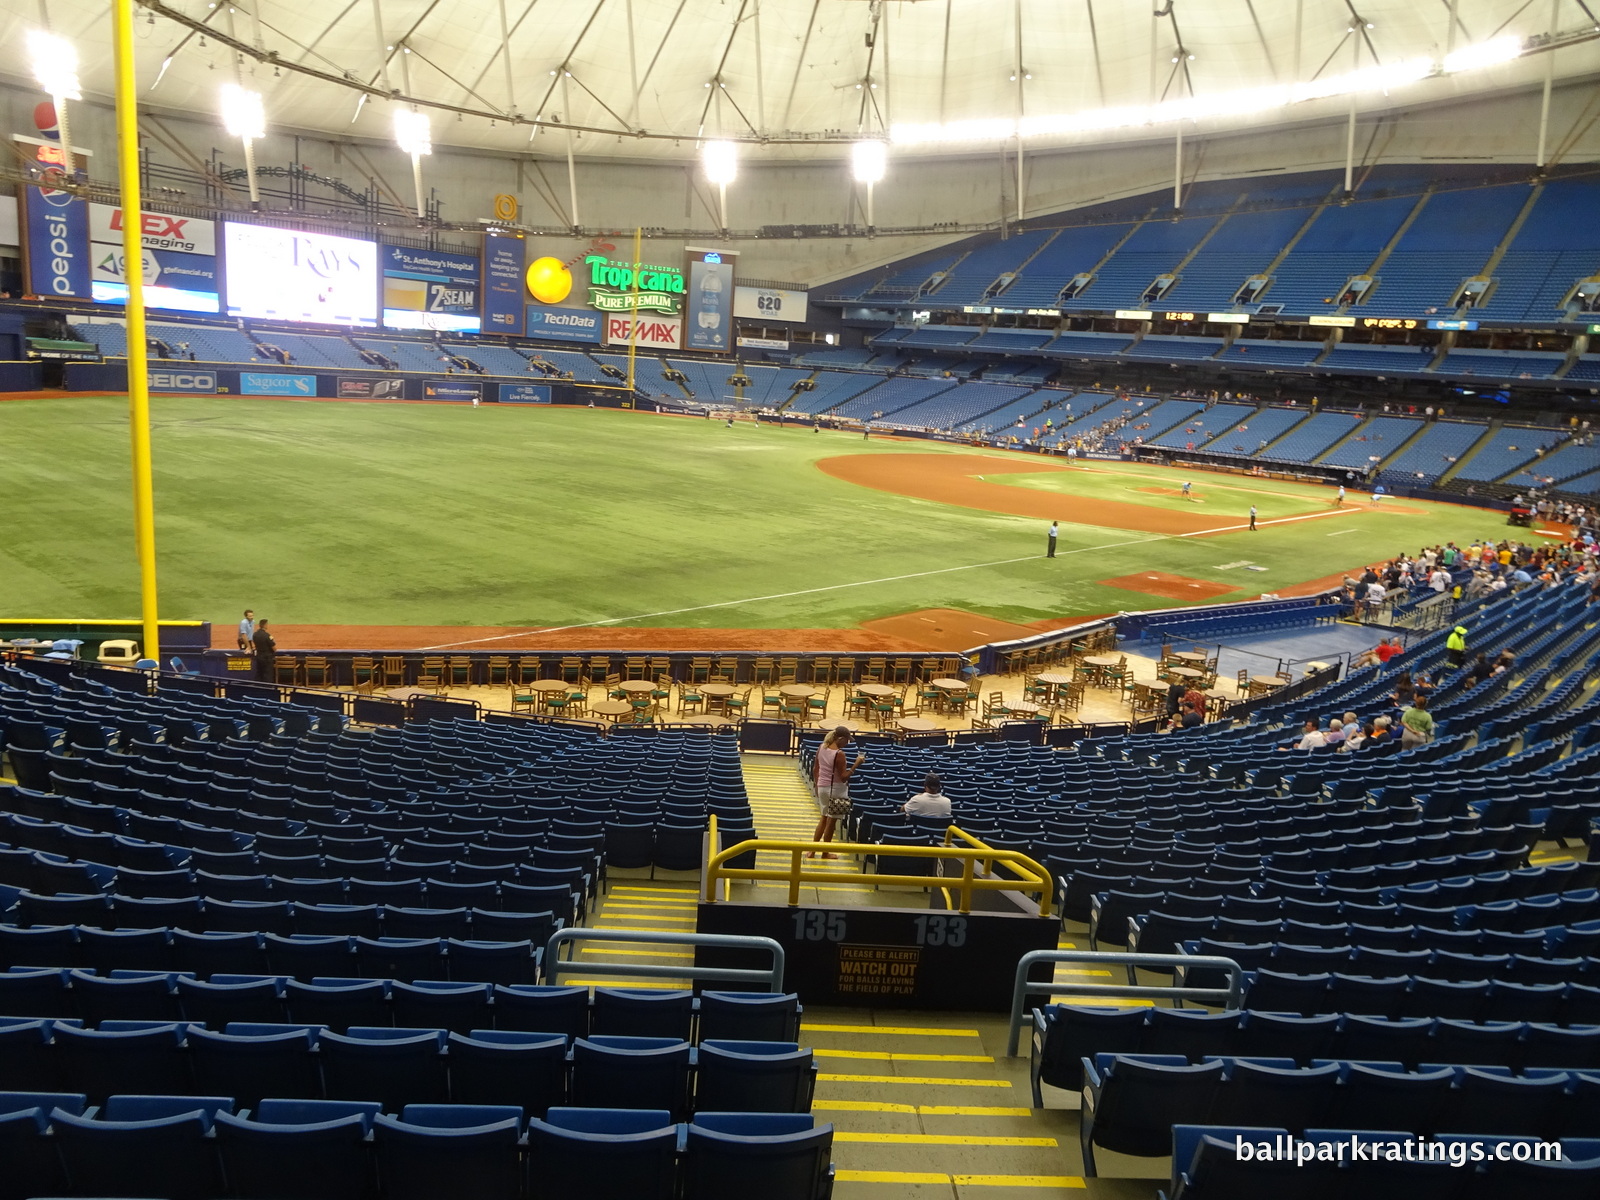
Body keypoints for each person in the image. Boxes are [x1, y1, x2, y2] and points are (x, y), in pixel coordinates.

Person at [810, 726, 864, 858]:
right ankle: (825, 853)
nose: (847, 743)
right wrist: (856, 764)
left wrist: (817, 785)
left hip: (822, 787)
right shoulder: (839, 754)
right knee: (831, 822)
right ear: (840, 738)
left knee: (823, 819)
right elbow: (844, 776)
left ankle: (812, 850)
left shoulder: (821, 747)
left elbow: (815, 768)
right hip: (835, 789)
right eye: (846, 740)